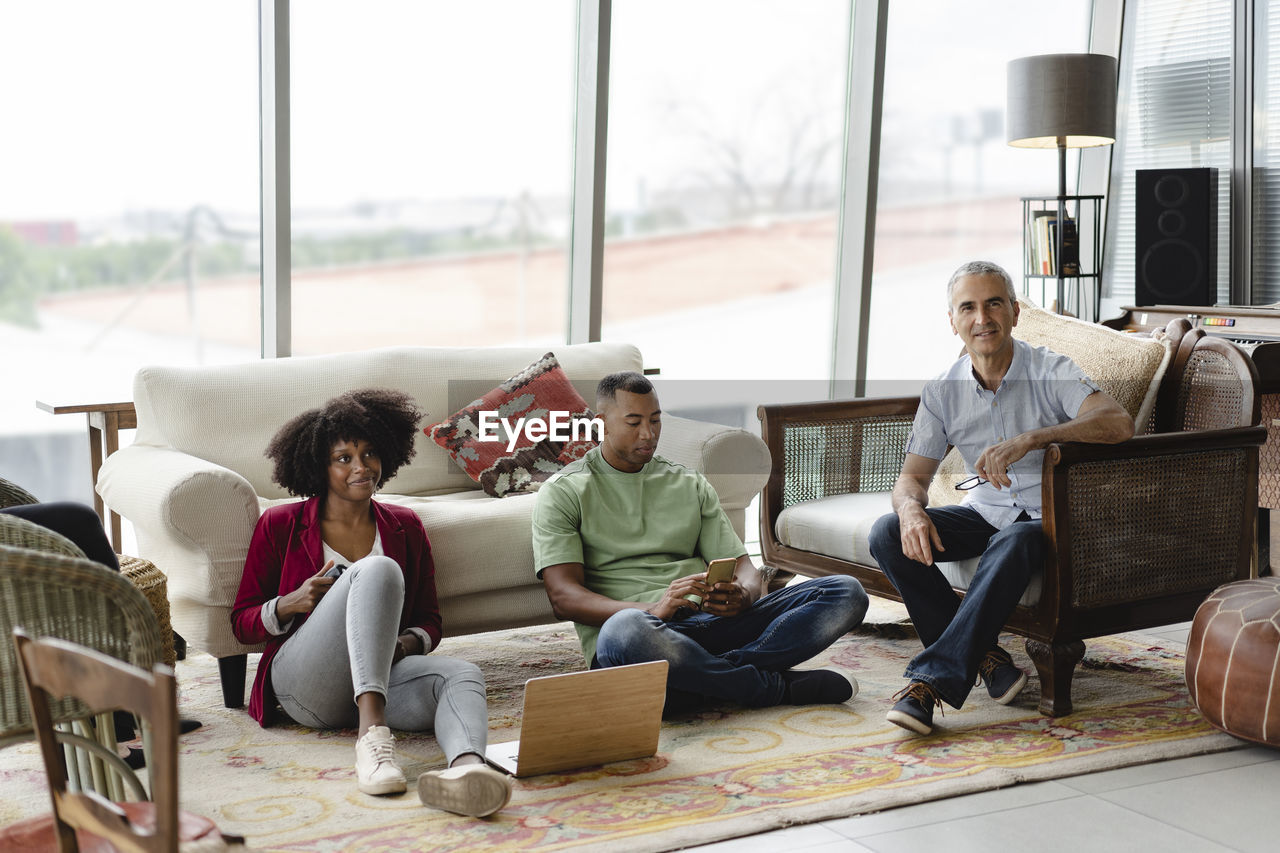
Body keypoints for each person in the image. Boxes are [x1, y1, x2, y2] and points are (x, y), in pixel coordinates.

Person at [868, 261, 1134, 735]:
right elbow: (912, 479)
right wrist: (911, 510)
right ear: (952, 321)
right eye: (967, 307)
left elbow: (1118, 423)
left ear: (1014, 311)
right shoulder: (942, 390)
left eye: (994, 303)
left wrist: (1034, 438)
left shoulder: (1052, 370)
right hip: (990, 514)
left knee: (1011, 543)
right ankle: (988, 658)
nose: (982, 318)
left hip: (1054, 520)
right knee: (888, 532)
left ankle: (930, 682)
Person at [229, 388, 511, 817]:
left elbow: (430, 621)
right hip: (307, 685)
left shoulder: (405, 526)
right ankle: (373, 740)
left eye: (370, 454)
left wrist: (400, 645)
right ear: (318, 467)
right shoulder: (281, 524)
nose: (361, 468)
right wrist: (290, 603)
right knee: (378, 569)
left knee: (462, 674)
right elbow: (241, 622)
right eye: (344, 458)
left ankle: (467, 772)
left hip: (379, 677)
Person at [533, 372, 868, 713]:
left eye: (655, 421)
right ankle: (768, 687)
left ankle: (702, 680)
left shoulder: (688, 484)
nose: (648, 434)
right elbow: (564, 598)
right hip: (644, 638)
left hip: (709, 625)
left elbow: (746, 570)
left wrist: (744, 593)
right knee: (625, 628)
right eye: (633, 422)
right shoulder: (565, 492)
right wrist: (654, 610)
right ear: (601, 423)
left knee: (845, 592)